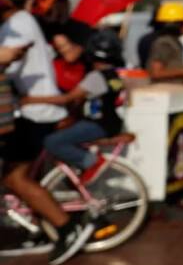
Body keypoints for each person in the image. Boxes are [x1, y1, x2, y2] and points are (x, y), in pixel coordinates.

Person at [0, 0, 92, 265]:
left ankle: (67, 227)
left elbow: (9, 60)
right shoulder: (21, 23)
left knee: (16, 179)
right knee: (24, 176)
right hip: (32, 110)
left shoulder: (16, 26)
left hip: (34, 113)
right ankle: (43, 227)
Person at [21, 30, 127, 178]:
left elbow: (67, 98)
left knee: (52, 141)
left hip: (97, 124)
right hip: (110, 122)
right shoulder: (114, 75)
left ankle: (91, 162)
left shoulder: (95, 77)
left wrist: (31, 100)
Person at [146, 1, 183, 83]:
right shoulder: (164, 43)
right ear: (176, 24)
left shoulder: (174, 42)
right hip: (167, 92)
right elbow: (156, 73)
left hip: (176, 92)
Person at [49, 21, 91, 92]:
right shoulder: (54, 65)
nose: (63, 50)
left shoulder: (90, 67)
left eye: (65, 45)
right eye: (59, 48)